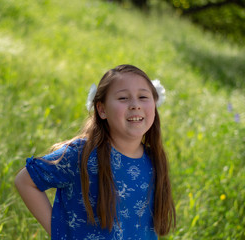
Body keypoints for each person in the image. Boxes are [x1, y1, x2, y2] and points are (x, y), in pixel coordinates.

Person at [14, 64, 176, 239]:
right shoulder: (82, 154)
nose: (135, 105)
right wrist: (59, 233)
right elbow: (25, 181)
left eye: (143, 96)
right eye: (123, 98)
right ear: (102, 109)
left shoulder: (154, 159)